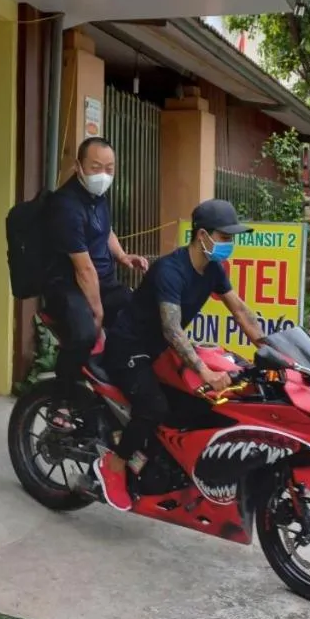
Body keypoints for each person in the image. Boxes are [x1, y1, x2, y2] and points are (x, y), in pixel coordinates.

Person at [95, 199, 266, 512]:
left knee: (196, 405)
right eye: (225, 237)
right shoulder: (169, 271)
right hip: (130, 348)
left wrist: (269, 349)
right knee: (154, 406)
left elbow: (239, 309)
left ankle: (155, 462)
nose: (231, 244)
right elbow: (173, 330)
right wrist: (205, 372)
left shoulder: (213, 269)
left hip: (159, 348)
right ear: (203, 236)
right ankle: (117, 465)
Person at [43, 137, 148, 382]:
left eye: (109, 169)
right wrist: (97, 310)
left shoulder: (97, 196)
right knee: (85, 335)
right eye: (95, 167)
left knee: (139, 316)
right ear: (78, 166)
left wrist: (122, 256)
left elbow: (104, 230)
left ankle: (116, 378)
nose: (103, 175)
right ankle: (63, 396)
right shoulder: (66, 206)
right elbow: (83, 268)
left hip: (103, 282)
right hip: (70, 287)